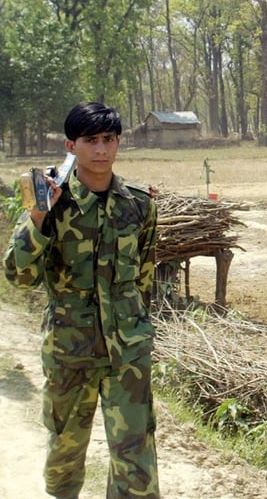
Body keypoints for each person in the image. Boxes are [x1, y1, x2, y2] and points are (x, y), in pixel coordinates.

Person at [4, 102, 160, 499]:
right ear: (71, 145)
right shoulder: (52, 203)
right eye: (91, 141)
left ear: (119, 142)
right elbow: (17, 276)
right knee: (65, 454)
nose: (101, 150)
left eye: (109, 140)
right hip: (71, 351)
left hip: (127, 352)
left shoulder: (139, 204)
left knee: (136, 459)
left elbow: (144, 275)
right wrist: (39, 216)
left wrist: (136, 328)